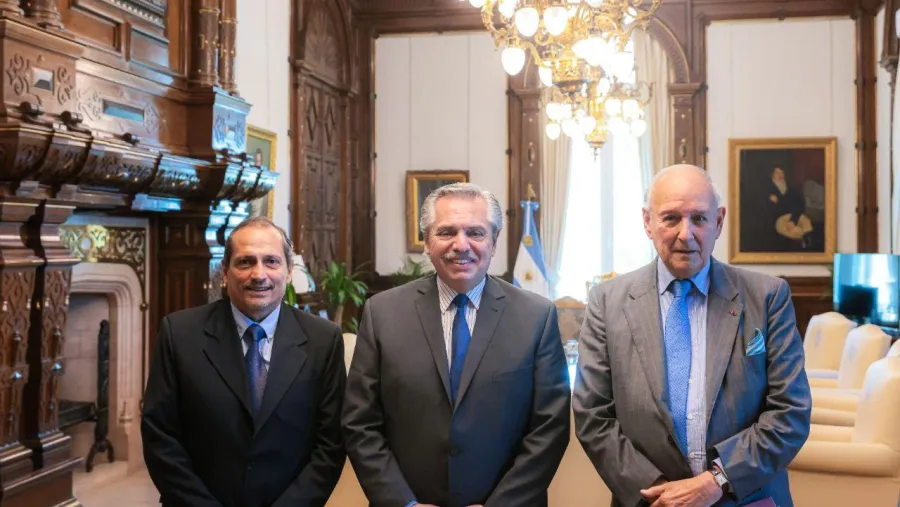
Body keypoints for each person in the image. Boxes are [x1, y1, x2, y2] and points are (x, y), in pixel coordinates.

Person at [573, 165, 811, 507]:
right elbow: (593, 414)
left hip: (746, 498)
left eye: (699, 218)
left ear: (719, 221)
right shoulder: (607, 302)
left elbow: (791, 411)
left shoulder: (767, 297)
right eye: (671, 218)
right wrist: (660, 493)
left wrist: (717, 480)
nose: (686, 234)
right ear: (647, 222)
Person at [342, 182, 570, 507]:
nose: (461, 245)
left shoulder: (536, 316)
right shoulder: (382, 313)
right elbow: (360, 422)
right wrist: (403, 503)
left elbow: (550, 427)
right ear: (427, 241)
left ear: (494, 241)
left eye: (475, 233)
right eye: (446, 232)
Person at [142, 216, 346, 507]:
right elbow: (159, 437)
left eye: (271, 261)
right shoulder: (179, 334)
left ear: (289, 272)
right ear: (225, 272)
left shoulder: (323, 340)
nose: (259, 274)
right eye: (245, 262)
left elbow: (330, 445)